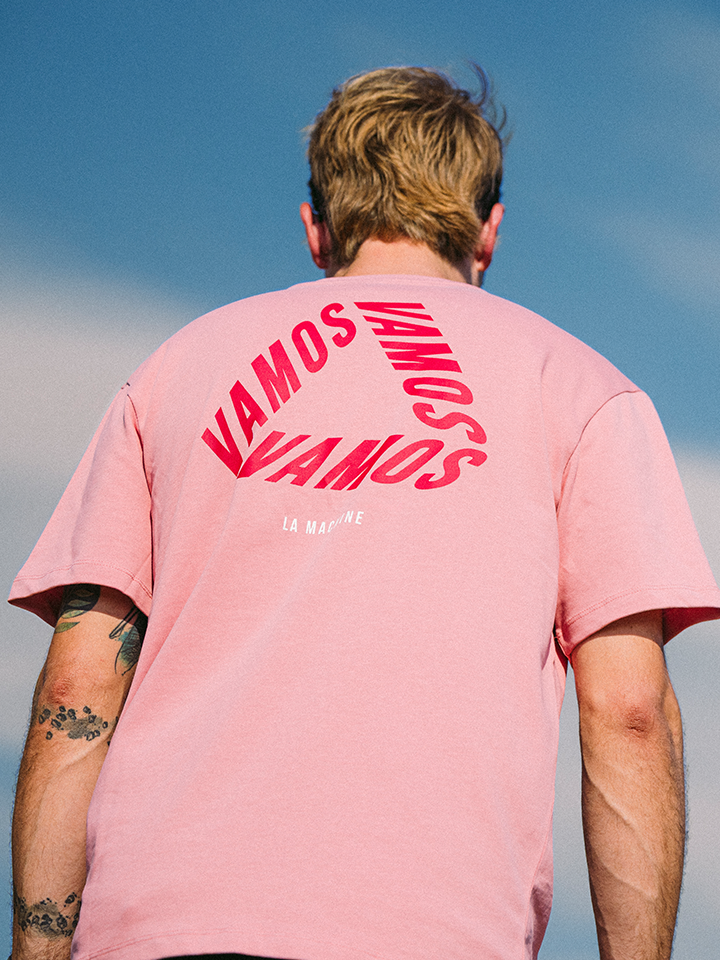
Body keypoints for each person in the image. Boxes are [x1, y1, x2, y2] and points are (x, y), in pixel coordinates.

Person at [9, 65, 720, 960]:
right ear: (489, 229)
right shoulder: (583, 393)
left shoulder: (173, 375)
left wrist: (37, 949)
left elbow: (78, 685)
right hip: (433, 933)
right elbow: (629, 713)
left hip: (154, 931)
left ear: (315, 227)